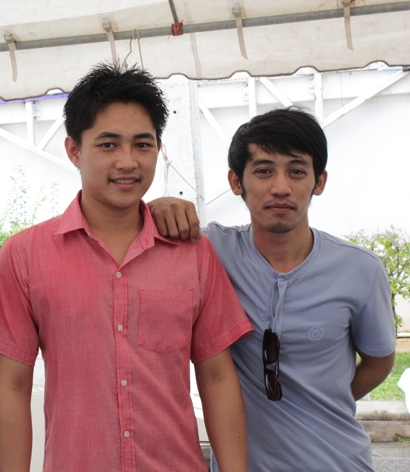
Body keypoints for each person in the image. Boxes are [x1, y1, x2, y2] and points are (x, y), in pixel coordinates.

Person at [0, 63, 252, 472]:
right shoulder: (25, 256)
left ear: (158, 148)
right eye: (108, 144)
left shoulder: (192, 253)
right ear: (74, 150)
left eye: (142, 144)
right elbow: (11, 387)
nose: (127, 161)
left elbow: (218, 377)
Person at [149, 108, 396, 472]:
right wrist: (157, 206)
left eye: (297, 171)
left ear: (319, 181)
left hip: (339, 461)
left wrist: (321, 402)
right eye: (263, 171)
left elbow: (379, 361)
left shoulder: (360, 269)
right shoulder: (211, 252)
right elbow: (140, 230)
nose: (281, 187)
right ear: (236, 182)